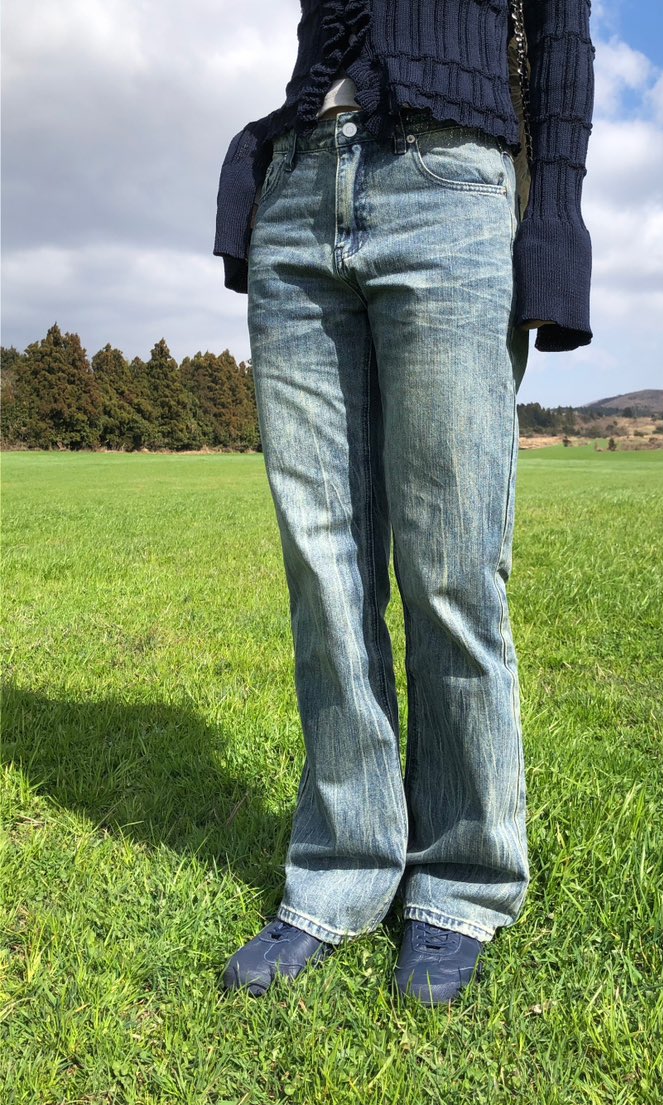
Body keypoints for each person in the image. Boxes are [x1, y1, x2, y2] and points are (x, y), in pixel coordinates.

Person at [214, 0, 594, 1005]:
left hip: (451, 189)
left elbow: (561, 39)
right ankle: (341, 868)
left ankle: (462, 879)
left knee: (452, 567)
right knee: (324, 569)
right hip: (299, 192)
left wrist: (555, 221)